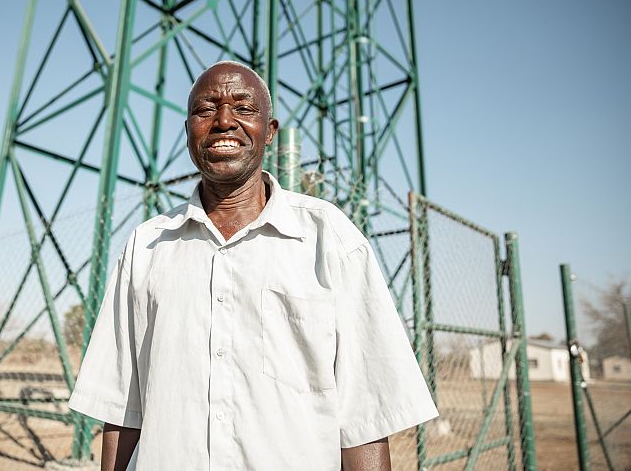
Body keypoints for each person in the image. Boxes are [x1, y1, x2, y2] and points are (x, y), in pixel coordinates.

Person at [69, 61, 438, 470]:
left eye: (244, 109)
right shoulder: (147, 246)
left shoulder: (330, 239)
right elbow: (122, 408)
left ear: (271, 132)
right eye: (206, 109)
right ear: (189, 129)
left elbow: (364, 419)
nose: (224, 121)